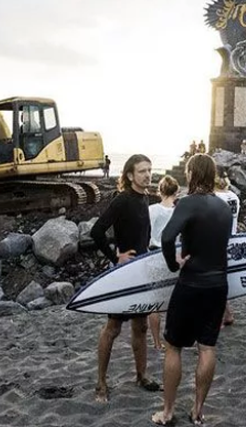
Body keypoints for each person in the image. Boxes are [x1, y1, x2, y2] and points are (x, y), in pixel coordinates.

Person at [151, 154, 232, 427]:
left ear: (191, 173)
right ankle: (198, 410)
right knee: (207, 347)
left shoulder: (187, 203)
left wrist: (173, 264)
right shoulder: (224, 207)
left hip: (192, 283)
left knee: (174, 346)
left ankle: (168, 411)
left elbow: (166, 236)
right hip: (219, 284)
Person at [90, 154, 160, 403]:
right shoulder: (122, 200)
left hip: (141, 272)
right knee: (113, 328)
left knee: (140, 326)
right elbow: (96, 231)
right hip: (125, 274)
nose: (148, 175)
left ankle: (141, 375)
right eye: (142, 171)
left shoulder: (145, 199)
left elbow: (144, 235)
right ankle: (101, 383)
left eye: (150, 170)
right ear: (130, 175)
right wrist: (115, 256)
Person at [148, 175, 180, 351]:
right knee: (173, 300)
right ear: (176, 192)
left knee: (155, 302)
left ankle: (156, 342)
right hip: (173, 255)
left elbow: (146, 233)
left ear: (160, 191)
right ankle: (171, 338)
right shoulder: (179, 211)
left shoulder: (151, 210)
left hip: (153, 255)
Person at [214, 174, 240, 327]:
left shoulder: (216, 197)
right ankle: (227, 313)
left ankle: (224, 315)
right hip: (233, 239)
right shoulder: (234, 197)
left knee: (217, 280)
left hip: (219, 241)